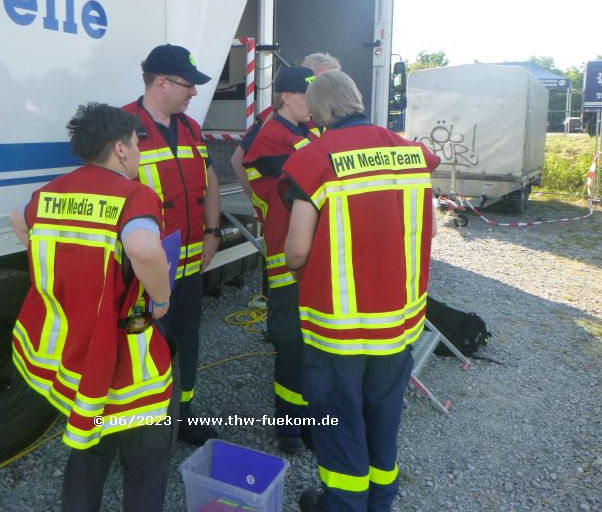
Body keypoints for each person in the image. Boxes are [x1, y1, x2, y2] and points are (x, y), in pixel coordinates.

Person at [281, 71, 439, 512]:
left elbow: (295, 251)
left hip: (338, 328)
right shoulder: (411, 155)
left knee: (337, 420)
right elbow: (428, 232)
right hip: (398, 322)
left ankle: (344, 505)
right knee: (383, 415)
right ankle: (381, 500)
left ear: (316, 113)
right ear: (358, 100)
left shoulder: (316, 159)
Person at [10, 103, 174, 512]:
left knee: (89, 440)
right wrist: (162, 298)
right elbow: (142, 248)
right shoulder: (134, 195)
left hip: (76, 347)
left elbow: (18, 218)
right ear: (120, 148)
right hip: (128, 341)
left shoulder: (48, 193)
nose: (138, 153)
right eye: (137, 144)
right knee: (148, 446)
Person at [122, 44, 222, 446]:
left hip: (190, 265)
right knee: (143, 347)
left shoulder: (192, 128)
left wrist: (213, 232)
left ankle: (184, 413)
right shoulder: (122, 127)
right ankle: (145, 424)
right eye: (188, 84)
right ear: (160, 83)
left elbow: (210, 180)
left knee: (187, 338)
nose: (194, 92)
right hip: (144, 272)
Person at [241, 66, 321, 454]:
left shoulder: (307, 131)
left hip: (308, 253)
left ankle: (308, 419)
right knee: (291, 343)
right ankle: (289, 424)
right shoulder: (272, 137)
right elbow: (303, 187)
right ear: (287, 97)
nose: (314, 104)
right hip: (287, 256)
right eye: (308, 96)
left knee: (311, 342)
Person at [230, 52, 341, 199]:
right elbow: (238, 159)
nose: (330, 90)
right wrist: (259, 204)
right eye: (326, 82)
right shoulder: (274, 118)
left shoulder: (331, 116)